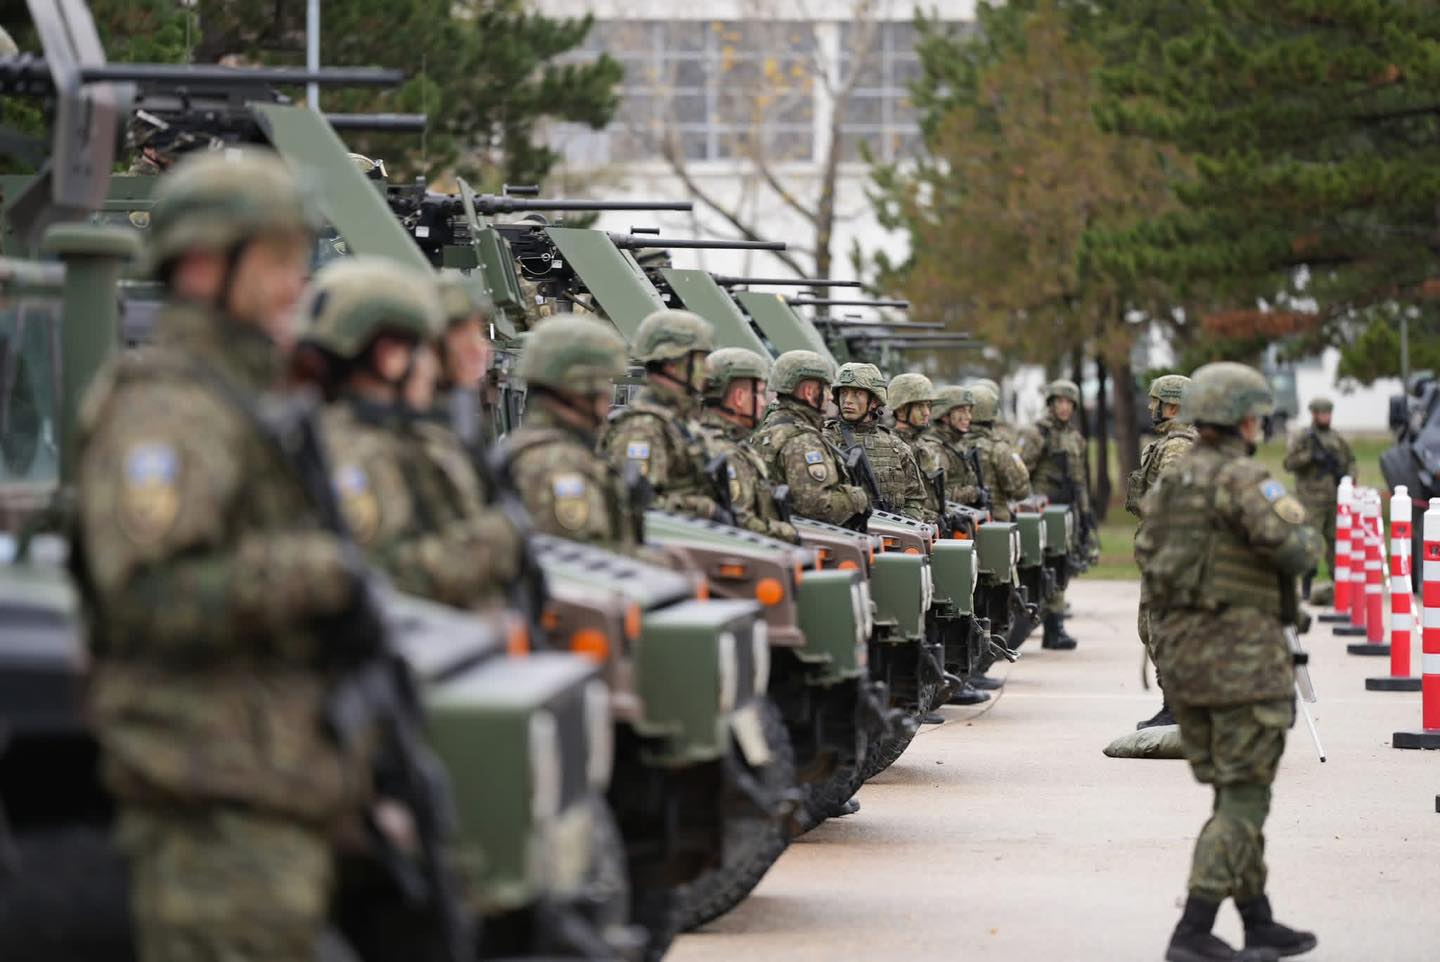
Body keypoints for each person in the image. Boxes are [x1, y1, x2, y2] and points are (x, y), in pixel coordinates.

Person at [71, 149, 373, 962]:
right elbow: (146, 594)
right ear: (205, 265)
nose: (294, 284)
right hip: (205, 793)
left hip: (263, 785)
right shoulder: (170, 407)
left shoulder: (246, 400)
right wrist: (315, 574)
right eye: (277, 260)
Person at [1136, 362, 1320, 962]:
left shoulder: (1173, 483)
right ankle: (1192, 930)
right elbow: (1300, 549)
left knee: (1232, 794)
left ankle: (1257, 920)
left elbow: (1147, 552)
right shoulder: (1243, 480)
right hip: (1242, 664)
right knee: (1245, 798)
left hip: (1187, 665)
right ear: (1242, 420)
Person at [293, 257, 522, 609]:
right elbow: (383, 578)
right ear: (390, 359)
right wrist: (500, 538)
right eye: (424, 351)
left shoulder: (394, 439)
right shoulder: (357, 453)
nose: (430, 368)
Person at [507, 315, 637, 549]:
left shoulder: (529, 446)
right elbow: (591, 556)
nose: (608, 398)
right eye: (604, 383)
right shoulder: (557, 463)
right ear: (581, 387)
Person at [599, 309, 728, 520]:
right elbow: (636, 506)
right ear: (672, 365)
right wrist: (704, 508)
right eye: (701, 359)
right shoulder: (642, 428)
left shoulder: (677, 421)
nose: (708, 370)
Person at [1126, 374, 1197, 730]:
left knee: (1163, 629)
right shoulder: (1172, 443)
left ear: (1172, 406)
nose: (1150, 407)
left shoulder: (1178, 447)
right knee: (1153, 628)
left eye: (1155, 401)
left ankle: (1177, 708)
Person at [752, 350, 870, 526]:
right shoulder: (803, 440)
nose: (831, 397)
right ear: (809, 392)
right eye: (826, 388)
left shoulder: (768, 430)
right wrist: (857, 498)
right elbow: (818, 507)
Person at [1019, 379, 1093, 650]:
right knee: (1046, 569)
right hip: (1044, 511)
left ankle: (1055, 627)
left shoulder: (1075, 438)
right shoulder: (1038, 433)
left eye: (1068, 403)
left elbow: (1080, 480)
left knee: (1062, 568)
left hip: (1067, 512)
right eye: (1059, 402)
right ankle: (1050, 626)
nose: (1064, 407)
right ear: (1051, 403)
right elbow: (1021, 473)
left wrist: (1085, 514)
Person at [698, 347, 799, 543]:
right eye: (760, 393)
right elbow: (740, 525)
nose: (763, 403)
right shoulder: (725, 453)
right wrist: (786, 532)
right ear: (739, 397)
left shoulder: (707, 441)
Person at [825, 362, 934, 523]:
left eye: (857, 394)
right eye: (844, 393)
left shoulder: (897, 447)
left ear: (874, 402)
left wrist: (904, 524)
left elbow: (915, 499)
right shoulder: (824, 440)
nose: (847, 401)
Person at [1282, 397, 1356, 596]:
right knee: (1310, 543)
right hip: (1310, 500)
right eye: (1322, 413)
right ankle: (1306, 585)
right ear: (1314, 414)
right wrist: (1310, 457)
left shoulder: (1336, 439)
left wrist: (1349, 479)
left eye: (1328, 413)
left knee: (1337, 543)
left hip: (1335, 499)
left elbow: (1350, 461)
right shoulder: (1304, 438)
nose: (1325, 417)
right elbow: (1288, 463)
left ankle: (1339, 585)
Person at [964, 383, 1032, 521]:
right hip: (996, 523)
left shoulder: (955, 445)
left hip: (964, 524)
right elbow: (1021, 492)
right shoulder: (999, 449)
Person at [888, 372, 946, 518]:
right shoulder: (890, 447)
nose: (926, 413)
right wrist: (931, 518)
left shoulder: (922, 445)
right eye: (920, 406)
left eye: (928, 406)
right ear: (901, 410)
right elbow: (897, 506)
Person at [926, 385, 984, 507]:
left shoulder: (957, 444)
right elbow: (937, 496)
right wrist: (973, 493)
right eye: (962, 411)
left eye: (969, 411)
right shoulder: (934, 448)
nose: (969, 417)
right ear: (944, 415)